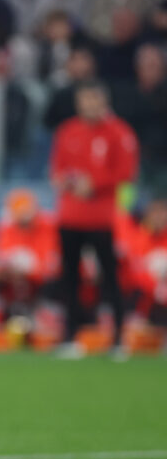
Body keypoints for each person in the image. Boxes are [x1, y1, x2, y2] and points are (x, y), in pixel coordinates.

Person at [50, 80, 138, 359]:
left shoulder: (118, 132)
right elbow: (57, 169)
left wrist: (94, 184)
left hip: (103, 218)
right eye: (84, 101)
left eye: (94, 100)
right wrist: (65, 181)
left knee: (111, 278)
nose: (89, 106)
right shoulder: (68, 131)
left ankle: (118, 339)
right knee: (70, 278)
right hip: (70, 216)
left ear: (104, 102)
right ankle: (70, 336)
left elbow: (126, 172)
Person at [0, 189, 61, 327]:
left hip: (40, 281)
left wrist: (29, 271)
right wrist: (6, 270)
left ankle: (46, 328)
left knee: (52, 287)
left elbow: (51, 265)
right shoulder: (6, 226)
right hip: (12, 279)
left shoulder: (49, 225)